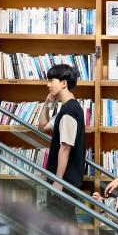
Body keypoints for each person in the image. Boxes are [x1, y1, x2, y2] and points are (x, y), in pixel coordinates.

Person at [38, 64, 86, 224]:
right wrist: (47, 104)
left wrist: (58, 182)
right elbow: (43, 126)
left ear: (64, 83)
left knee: (63, 225)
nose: (48, 84)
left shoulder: (69, 111)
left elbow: (65, 148)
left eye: (52, 80)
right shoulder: (67, 109)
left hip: (64, 181)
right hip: (66, 180)